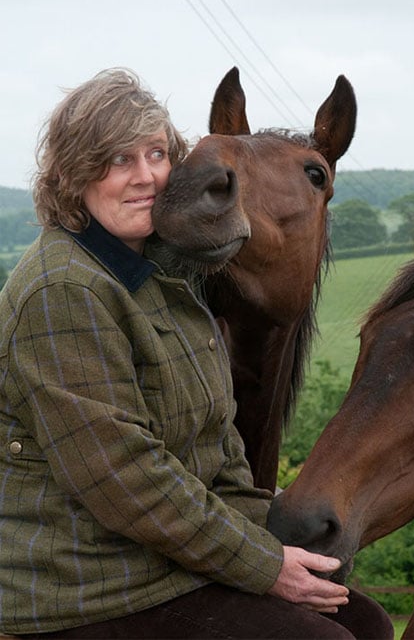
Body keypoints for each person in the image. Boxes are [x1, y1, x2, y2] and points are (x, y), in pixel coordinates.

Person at [0, 68, 393, 639]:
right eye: (116, 160)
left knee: (366, 619)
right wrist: (265, 565)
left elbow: (215, 448)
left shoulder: (164, 277)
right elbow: (125, 480)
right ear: (71, 175)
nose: (143, 178)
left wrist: (276, 527)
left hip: (154, 560)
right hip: (80, 584)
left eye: (155, 154)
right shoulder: (66, 290)